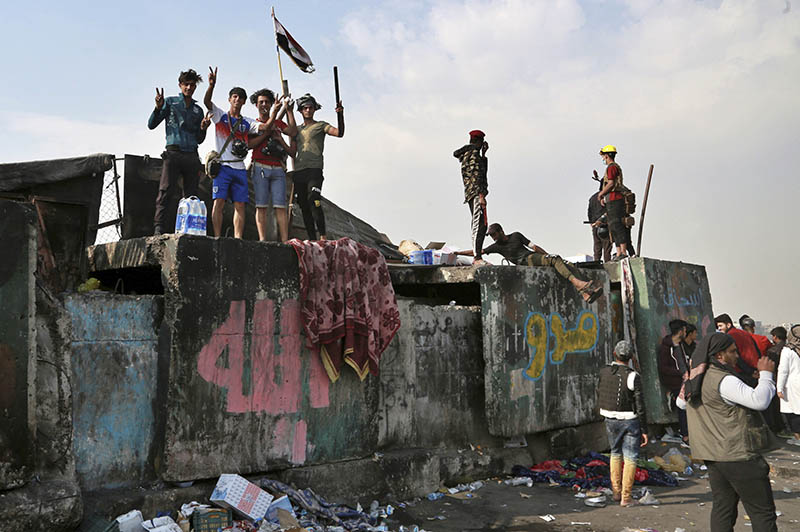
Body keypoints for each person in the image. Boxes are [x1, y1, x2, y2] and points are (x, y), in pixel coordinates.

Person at [679, 332, 778, 532]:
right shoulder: (724, 380)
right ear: (719, 356)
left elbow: (680, 403)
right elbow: (759, 401)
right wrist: (766, 375)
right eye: (732, 352)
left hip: (714, 456)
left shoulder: (695, 379)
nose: (737, 356)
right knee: (762, 512)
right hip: (738, 455)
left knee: (723, 509)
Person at [204, 67, 278, 238]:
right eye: (234, 97)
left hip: (239, 168)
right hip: (222, 167)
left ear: (244, 102)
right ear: (229, 99)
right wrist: (211, 86)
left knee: (240, 205)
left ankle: (238, 238)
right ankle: (217, 236)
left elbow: (265, 127)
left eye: (240, 98)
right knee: (219, 202)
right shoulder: (220, 116)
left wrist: (275, 111)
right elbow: (207, 102)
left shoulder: (247, 122)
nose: (237, 100)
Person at [458, 223, 603, 303]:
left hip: (532, 256)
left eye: (494, 234)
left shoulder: (516, 235)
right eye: (491, 236)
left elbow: (533, 246)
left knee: (567, 264)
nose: (493, 238)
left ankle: (585, 293)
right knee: (555, 259)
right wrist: (458, 253)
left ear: (501, 231)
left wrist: (546, 255)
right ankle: (579, 285)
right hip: (525, 261)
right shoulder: (496, 246)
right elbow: (477, 252)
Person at [147, 68, 212, 235]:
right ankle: (158, 228)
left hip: (191, 155)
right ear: (180, 85)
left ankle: (189, 230)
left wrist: (203, 128)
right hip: (173, 153)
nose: (189, 88)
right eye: (186, 85)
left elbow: (199, 138)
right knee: (165, 191)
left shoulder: (198, 110)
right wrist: (158, 108)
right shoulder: (170, 102)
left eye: (192, 85)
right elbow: (151, 125)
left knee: (191, 196)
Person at [597, 340, 649, 506]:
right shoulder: (633, 376)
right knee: (631, 456)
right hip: (630, 420)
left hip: (609, 417)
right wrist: (645, 430)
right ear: (631, 357)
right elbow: (640, 404)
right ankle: (626, 497)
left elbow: (599, 391)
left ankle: (616, 492)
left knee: (615, 452)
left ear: (614, 353)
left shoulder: (604, 372)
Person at [289, 93, 344, 241]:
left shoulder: (321, 125)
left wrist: (340, 115)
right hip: (299, 171)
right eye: (305, 108)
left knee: (314, 199)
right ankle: (312, 239)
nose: (308, 110)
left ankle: (323, 236)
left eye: (311, 107)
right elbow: (292, 152)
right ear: (300, 110)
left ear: (314, 109)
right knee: (304, 206)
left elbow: (339, 133)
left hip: (315, 170)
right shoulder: (296, 130)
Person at [247, 89, 297, 242]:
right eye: (261, 102)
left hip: (277, 168)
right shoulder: (252, 123)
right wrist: (266, 135)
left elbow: (293, 132)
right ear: (256, 105)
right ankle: (262, 240)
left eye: (267, 102)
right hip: (260, 166)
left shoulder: (277, 123)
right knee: (261, 206)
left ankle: (284, 241)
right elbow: (249, 145)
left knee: (280, 207)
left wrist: (289, 112)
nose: (264, 105)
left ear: (270, 104)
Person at [453, 130, 489, 263]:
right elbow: (477, 176)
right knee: (478, 224)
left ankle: (477, 254)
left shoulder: (471, 154)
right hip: (476, 193)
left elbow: (481, 173)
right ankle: (477, 256)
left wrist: (483, 156)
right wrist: (481, 195)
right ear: (479, 141)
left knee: (482, 224)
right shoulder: (473, 154)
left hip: (473, 192)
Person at [657, 319, 690, 443]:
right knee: (683, 406)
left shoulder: (680, 345)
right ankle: (685, 434)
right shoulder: (666, 348)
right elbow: (664, 368)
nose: (686, 332)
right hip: (675, 382)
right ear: (680, 331)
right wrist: (680, 374)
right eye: (685, 330)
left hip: (684, 380)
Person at [596, 145, 629, 260]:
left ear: (606, 155)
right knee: (613, 226)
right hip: (611, 198)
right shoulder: (612, 167)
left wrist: (601, 194)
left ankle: (623, 252)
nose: (603, 159)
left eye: (604, 156)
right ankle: (619, 252)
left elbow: (611, 183)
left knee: (617, 225)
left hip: (616, 198)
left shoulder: (612, 167)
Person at [715, 313, 761, 385]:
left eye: (720, 326)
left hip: (743, 373)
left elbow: (736, 357)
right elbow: (757, 350)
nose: (719, 329)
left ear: (728, 325)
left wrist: (750, 372)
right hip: (755, 370)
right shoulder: (744, 333)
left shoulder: (729, 337)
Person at [777, 325, 800, 445]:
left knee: (792, 412)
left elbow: (783, 371)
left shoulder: (788, 350)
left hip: (792, 385)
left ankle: (798, 438)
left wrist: (779, 388)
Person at [588, 181, 612, 262]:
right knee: (607, 248)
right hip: (605, 226)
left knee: (597, 248)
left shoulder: (592, 198)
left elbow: (589, 213)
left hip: (595, 226)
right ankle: (608, 265)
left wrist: (592, 223)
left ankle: (596, 263)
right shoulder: (606, 197)